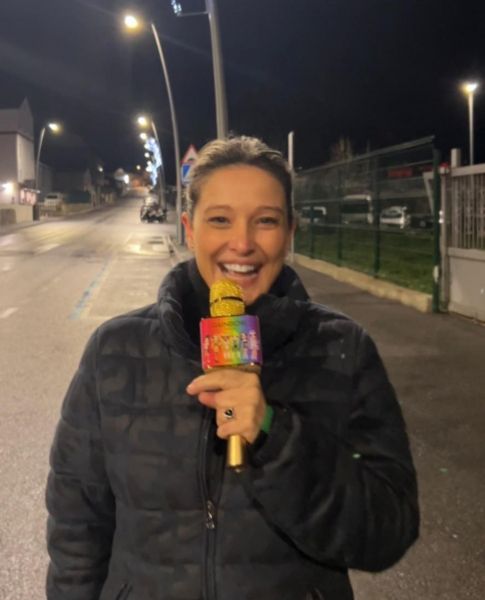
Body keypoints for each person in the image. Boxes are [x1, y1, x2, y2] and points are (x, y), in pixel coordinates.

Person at [46, 136, 419, 600]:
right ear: (189, 228)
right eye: (220, 219)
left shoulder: (343, 349)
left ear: (290, 231)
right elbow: (76, 527)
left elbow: (389, 529)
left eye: (266, 221)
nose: (242, 244)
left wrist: (276, 437)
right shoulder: (114, 351)